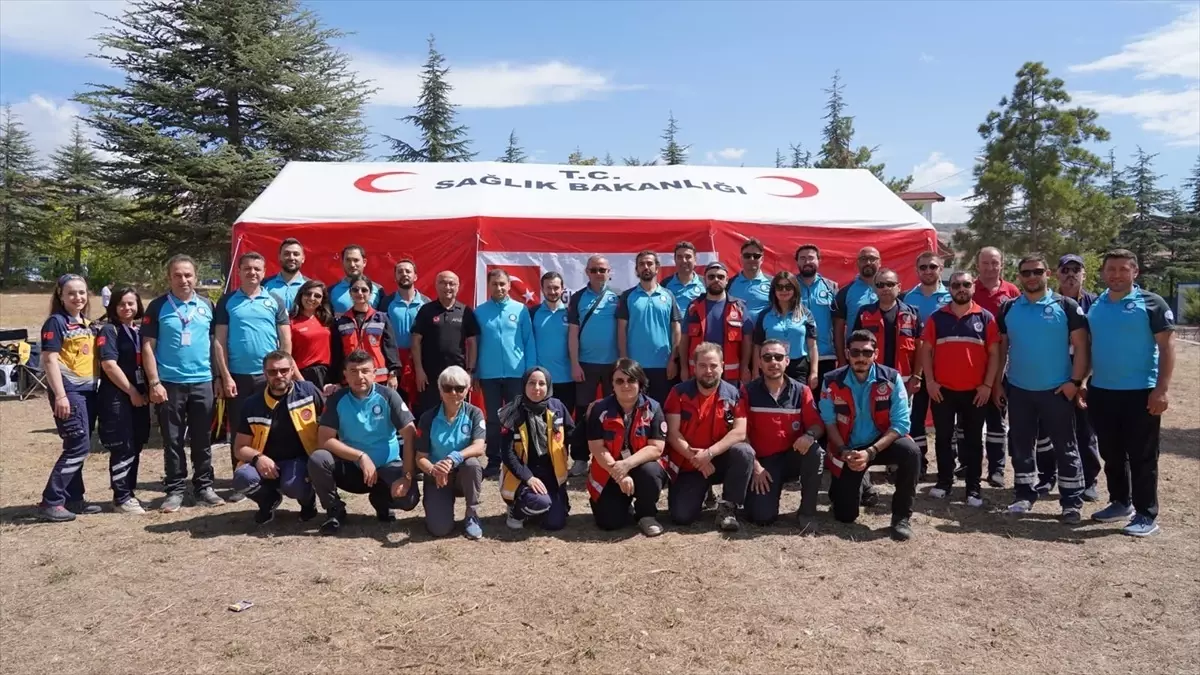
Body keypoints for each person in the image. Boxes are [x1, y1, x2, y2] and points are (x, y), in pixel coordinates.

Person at [993, 253, 1089, 523]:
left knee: (1065, 446)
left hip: (1057, 390)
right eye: (1026, 273)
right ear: (1019, 277)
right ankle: (1024, 493)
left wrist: (1075, 383)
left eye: (1037, 271)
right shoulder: (1009, 308)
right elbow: (1002, 349)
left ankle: (1071, 501)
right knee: (1022, 445)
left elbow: (1082, 347)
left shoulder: (1066, 306)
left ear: (1047, 273)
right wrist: (999, 384)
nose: (1032, 277)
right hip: (1019, 389)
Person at [1087, 249, 1176, 537]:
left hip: (1140, 391)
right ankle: (1119, 502)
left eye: (1123, 269)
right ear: (1103, 272)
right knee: (1111, 452)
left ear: (1134, 272)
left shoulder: (1152, 303)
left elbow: (1167, 348)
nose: (1116, 274)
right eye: (1111, 269)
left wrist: (1161, 390)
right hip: (1102, 391)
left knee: (1142, 455)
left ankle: (1146, 513)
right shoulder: (1097, 304)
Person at [820, 330, 918, 541]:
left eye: (866, 352)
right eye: (855, 352)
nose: (861, 357)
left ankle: (901, 518)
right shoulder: (831, 380)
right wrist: (844, 451)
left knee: (911, 452)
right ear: (847, 353)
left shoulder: (891, 378)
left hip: (880, 445)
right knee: (845, 516)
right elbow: (829, 422)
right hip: (849, 448)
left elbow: (901, 424)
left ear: (876, 353)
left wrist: (871, 452)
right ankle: (856, 485)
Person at [309, 350, 420, 535]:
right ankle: (334, 509)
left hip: (387, 465)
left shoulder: (389, 396)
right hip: (352, 468)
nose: (359, 376)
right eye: (353, 371)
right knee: (318, 458)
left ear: (374, 373)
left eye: (365, 371)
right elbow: (325, 439)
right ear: (345, 374)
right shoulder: (337, 399)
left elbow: (410, 435)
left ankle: (381, 500)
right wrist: (360, 456)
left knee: (409, 499)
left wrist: (406, 477)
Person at [143, 255, 223, 512]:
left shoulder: (208, 305)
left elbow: (214, 345)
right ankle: (175, 489)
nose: (183, 280)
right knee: (173, 440)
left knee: (203, 438)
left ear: (196, 277)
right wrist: (154, 382)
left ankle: (204, 487)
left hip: (203, 382)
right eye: (177, 275)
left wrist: (219, 377)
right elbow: (147, 346)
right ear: (169, 278)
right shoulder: (157, 307)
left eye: (188, 275)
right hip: (170, 384)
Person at [215, 251, 292, 493]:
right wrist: (225, 375)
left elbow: (285, 340)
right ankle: (242, 480)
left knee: (273, 426)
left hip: (269, 377)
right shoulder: (227, 301)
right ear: (238, 271)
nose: (252, 273)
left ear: (264, 271)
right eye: (247, 268)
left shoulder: (274, 300)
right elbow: (219, 341)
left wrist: (284, 372)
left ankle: (272, 476)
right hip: (238, 377)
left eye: (257, 269)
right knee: (241, 428)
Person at [919, 271, 999, 505]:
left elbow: (994, 355)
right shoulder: (937, 318)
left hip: (976, 392)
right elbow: (926, 351)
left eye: (966, 284)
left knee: (974, 440)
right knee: (943, 438)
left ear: (973, 287)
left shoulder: (985, 318)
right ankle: (944, 481)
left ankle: (973, 488)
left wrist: (987, 385)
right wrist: (930, 382)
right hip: (943, 390)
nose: (961, 288)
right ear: (949, 288)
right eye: (956, 285)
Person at [663, 343, 753, 531]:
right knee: (681, 517)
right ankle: (705, 492)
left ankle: (728, 508)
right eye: (703, 365)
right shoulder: (678, 393)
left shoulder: (734, 394)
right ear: (694, 367)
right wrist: (698, 459)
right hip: (689, 463)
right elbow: (672, 433)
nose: (708, 371)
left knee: (744, 452)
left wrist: (709, 454)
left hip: (717, 460)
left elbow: (739, 431)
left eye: (713, 365)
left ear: (722, 365)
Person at [1034, 254, 1101, 501]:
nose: (1071, 274)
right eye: (1066, 270)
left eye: (1076, 269)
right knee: (1047, 431)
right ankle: (1047, 476)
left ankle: (1089, 480)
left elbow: (1096, 346)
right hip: (1051, 376)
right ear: (1056, 274)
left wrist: (1082, 381)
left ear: (1084, 273)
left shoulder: (1096, 304)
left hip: (1084, 375)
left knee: (1085, 430)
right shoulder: (1047, 301)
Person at [37, 274, 102, 521]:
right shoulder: (55, 322)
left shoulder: (85, 323)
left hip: (88, 393)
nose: (78, 297)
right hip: (69, 393)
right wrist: (61, 395)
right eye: (71, 293)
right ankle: (51, 501)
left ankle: (74, 499)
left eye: (82, 293)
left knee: (79, 445)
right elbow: (49, 359)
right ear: (61, 296)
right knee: (79, 446)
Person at [230, 351, 321, 525]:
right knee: (242, 478)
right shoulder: (252, 404)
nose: (279, 375)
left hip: (299, 461)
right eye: (272, 372)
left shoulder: (308, 391)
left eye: (284, 370)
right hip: (266, 462)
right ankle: (268, 500)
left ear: (293, 370)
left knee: (293, 485)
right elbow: (239, 448)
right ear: (264, 374)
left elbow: (330, 420)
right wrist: (258, 458)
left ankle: (308, 503)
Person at [742, 340, 825, 525]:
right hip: (764, 463)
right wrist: (755, 466)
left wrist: (809, 435)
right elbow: (741, 434)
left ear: (787, 361)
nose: (773, 362)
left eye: (779, 357)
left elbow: (817, 425)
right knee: (761, 517)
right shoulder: (747, 392)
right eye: (767, 357)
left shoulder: (802, 391)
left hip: (792, 457)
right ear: (760, 362)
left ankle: (807, 513)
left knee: (816, 452)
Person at [586, 358, 669, 536]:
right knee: (609, 523)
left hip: (640, 468)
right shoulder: (599, 409)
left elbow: (656, 448)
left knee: (651, 471)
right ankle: (624, 506)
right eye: (619, 381)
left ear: (640, 382)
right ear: (612, 385)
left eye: (631, 380)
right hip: (609, 470)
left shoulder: (653, 408)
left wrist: (627, 465)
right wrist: (619, 474)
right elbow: (597, 447)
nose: (626, 385)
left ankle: (646, 515)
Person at [474, 268, 537, 478]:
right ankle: (493, 461)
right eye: (495, 284)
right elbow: (475, 344)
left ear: (509, 286)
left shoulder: (520, 310)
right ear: (489, 286)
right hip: (489, 374)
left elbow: (529, 341)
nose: (499, 288)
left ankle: (517, 458)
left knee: (516, 417)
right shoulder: (479, 312)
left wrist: (531, 371)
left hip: (516, 373)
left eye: (503, 284)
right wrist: (474, 371)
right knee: (493, 419)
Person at [97, 286, 151, 515]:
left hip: (138, 397)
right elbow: (109, 365)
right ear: (113, 306)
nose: (127, 308)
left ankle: (129, 492)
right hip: (118, 397)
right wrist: (132, 392)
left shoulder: (138, 331)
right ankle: (120, 497)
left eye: (131, 303)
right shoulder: (109, 330)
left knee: (136, 445)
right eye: (122, 304)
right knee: (123, 447)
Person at [415, 366, 486, 539]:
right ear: (440, 390)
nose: (453, 392)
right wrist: (434, 470)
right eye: (447, 388)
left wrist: (453, 458)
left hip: (463, 474)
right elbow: (420, 458)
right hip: (437, 477)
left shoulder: (475, 413)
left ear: (467, 389)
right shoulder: (427, 418)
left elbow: (479, 447)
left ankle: (472, 515)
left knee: (472, 464)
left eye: (459, 388)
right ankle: (440, 508)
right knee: (440, 530)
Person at [499, 367, 574, 531]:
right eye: (531, 383)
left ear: (549, 386)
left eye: (542, 383)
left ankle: (540, 505)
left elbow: (571, 433)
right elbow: (507, 453)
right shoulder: (513, 411)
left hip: (550, 473)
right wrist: (528, 477)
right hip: (522, 474)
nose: (537, 388)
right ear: (524, 385)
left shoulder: (557, 407)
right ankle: (516, 511)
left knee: (555, 523)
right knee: (541, 502)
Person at [566, 256, 619, 477]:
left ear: (610, 272)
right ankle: (580, 459)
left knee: (613, 411)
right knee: (583, 412)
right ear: (587, 272)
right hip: (586, 365)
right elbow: (573, 334)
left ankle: (612, 455)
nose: (599, 273)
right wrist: (575, 363)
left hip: (613, 365)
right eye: (595, 270)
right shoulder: (578, 298)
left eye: (603, 270)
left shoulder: (619, 297)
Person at [972, 246, 1020, 487]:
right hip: (970, 366)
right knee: (969, 419)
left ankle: (996, 468)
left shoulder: (1011, 292)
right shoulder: (969, 290)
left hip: (1000, 365)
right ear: (977, 265)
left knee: (996, 419)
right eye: (985, 263)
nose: (990, 268)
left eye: (995, 263)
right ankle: (969, 464)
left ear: (1002, 264)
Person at [901, 251, 952, 469]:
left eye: (933, 267)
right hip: (917, 367)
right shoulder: (906, 297)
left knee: (947, 419)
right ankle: (917, 462)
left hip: (947, 366)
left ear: (941, 268)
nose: (928, 271)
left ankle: (949, 463)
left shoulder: (953, 296)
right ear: (916, 270)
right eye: (923, 267)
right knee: (916, 416)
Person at [411, 271, 480, 416]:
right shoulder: (426, 310)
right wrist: (419, 370)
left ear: (458, 286)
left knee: (457, 414)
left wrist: (470, 371)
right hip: (429, 376)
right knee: (429, 413)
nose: (447, 287)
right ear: (436, 285)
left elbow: (472, 342)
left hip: (458, 374)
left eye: (451, 283)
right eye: (443, 283)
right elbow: (416, 341)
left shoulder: (465, 311)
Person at [616, 251, 681, 404]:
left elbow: (676, 329)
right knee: (636, 408)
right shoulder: (628, 296)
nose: (646, 267)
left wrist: (673, 359)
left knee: (662, 408)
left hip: (663, 365)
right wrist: (625, 362)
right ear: (636, 269)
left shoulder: (668, 295)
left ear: (657, 268)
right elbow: (621, 330)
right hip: (635, 366)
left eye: (650, 263)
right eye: (642, 264)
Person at [678, 262, 746, 383]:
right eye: (711, 277)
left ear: (727, 280)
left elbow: (747, 340)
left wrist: (745, 367)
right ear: (705, 280)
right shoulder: (694, 307)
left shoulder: (739, 307)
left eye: (720, 277)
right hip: (699, 372)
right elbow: (684, 340)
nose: (716, 280)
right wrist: (683, 368)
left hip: (730, 374)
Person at [749, 271, 818, 388]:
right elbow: (757, 345)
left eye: (788, 287)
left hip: (798, 367)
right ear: (774, 290)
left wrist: (814, 372)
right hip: (771, 365)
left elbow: (812, 346)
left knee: (797, 403)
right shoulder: (764, 314)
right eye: (779, 287)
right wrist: (755, 372)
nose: (784, 291)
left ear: (795, 289)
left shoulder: (806, 313)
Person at [330, 275, 399, 388]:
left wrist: (393, 374)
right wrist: (336, 380)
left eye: (364, 290)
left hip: (378, 378)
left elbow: (390, 348)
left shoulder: (381, 318)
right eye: (355, 290)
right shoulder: (341, 321)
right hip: (351, 379)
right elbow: (337, 354)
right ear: (350, 293)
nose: (360, 293)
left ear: (370, 293)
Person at [382, 259, 429, 413]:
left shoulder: (426, 303)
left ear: (415, 276)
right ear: (395, 277)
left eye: (408, 271)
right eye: (400, 272)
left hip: (420, 360)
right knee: (397, 405)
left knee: (420, 404)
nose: (404, 274)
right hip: (395, 360)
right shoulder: (386, 303)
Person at [795, 244, 839, 390]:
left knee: (825, 404)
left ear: (819, 260)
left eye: (811, 258)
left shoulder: (831, 287)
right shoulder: (789, 285)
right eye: (802, 258)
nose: (807, 262)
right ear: (797, 262)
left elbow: (838, 323)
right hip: (797, 355)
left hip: (825, 355)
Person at [530, 272, 574, 414]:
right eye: (548, 288)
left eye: (556, 288)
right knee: (540, 423)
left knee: (563, 422)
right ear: (542, 289)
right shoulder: (532, 313)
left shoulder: (571, 313)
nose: (552, 292)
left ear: (562, 289)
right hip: (541, 380)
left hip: (567, 378)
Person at [832, 246, 881, 367]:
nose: (868, 262)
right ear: (857, 263)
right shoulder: (845, 292)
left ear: (880, 262)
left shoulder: (888, 288)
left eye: (872, 259)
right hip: (857, 356)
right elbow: (838, 330)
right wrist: (842, 359)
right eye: (864, 259)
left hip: (885, 353)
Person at [288, 279, 334, 388]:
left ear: (322, 300)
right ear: (301, 295)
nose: (312, 298)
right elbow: (287, 354)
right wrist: (300, 380)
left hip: (326, 375)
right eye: (308, 294)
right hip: (302, 374)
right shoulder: (290, 322)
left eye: (317, 296)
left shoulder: (327, 321)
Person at [728, 238, 772, 326]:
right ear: (741, 258)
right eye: (747, 256)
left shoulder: (773, 283)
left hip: (764, 336)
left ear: (762, 259)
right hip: (736, 335)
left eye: (756, 256)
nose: (751, 259)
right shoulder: (729, 283)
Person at [329, 244, 383, 314]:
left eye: (356, 260)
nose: (352, 265)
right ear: (342, 262)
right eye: (348, 260)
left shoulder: (378, 289)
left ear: (364, 262)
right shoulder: (331, 291)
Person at [263, 238, 308, 310]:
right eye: (287, 254)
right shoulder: (263, 285)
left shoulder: (311, 286)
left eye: (296, 254)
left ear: (303, 258)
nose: (291, 257)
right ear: (279, 257)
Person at [663, 241, 706, 314]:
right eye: (679, 257)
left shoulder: (705, 282)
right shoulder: (665, 284)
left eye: (688, 256)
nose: (684, 260)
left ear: (695, 260)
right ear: (675, 260)